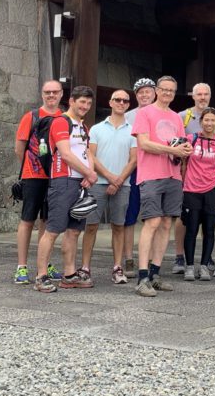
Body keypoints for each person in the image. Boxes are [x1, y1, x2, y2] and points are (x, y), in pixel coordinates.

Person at [33, 85, 98, 293]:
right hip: (62, 181)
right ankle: (41, 275)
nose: (85, 107)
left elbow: (87, 153)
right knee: (53, 230)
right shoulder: (61, 122)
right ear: (71, 101)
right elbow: (66, 154)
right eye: (81, 102)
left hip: (80, 183)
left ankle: (69, 274)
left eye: (88, 103)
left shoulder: (82, 126)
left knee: (74, 231)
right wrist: (89, 173)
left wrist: (89, 174)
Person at [132, 75, 193, 297]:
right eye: (164, 89)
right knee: (152, 221)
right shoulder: (145, 112)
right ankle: (142, 277)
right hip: (151, 174)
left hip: (173, 174)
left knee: (167, 222)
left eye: (171, 90)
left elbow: (182, 143)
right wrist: (173, 150)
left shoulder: (177, 118)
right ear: (156, 90)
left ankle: (155, 273)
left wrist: (185, 150)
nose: (167, 93)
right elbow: (144, 143)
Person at [82, 89, 137, 285]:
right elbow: (91, 156)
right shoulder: (96, 128)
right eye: (118, 100)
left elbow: (133, 160)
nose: (121, 103)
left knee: (119, 226)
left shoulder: (133, 130)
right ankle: (85, 267)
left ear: (128, 105)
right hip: (99, 182)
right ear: (111, 102)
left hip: (123, 184)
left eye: (125, 100)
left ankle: (117, 266)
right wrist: (109, 177)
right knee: (91, 226)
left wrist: (119, 180)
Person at [12, 80, 64, 285]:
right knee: (27, 219)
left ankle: (45, 264)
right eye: (47, 92)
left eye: (55, 92)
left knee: (47, 221)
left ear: (61, 94)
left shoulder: (64, 117)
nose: (51, 95)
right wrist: (30, 169)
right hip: (33, 175)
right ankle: (21, 266)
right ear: (42, 94)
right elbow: (19, 148)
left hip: (56, 176)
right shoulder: (31, 117)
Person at [171, 83, 215, 275]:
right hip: (189, 185)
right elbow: (177, 152)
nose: (202, 97)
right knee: (187, 223)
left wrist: (214, 179)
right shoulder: (182, 119)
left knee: (208, 226)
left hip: (210, 186)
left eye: (206, 94)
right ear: (192, 96)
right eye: (199, 94)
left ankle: (205, 261)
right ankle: (182, 258)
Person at [180, 107, 215, 281]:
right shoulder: (191, 139)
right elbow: (182, 161)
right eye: (206, 120)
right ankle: (190, 266)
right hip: (191, 189)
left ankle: (205, 265)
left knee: (209, 229)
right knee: (191, 229)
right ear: (201, 122)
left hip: (212, 190)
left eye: (212, 120)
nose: (209, 123)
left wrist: (213, 179)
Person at [120, 78, 155, 277]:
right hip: (134, 168)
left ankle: (149, 257)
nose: (144, 95)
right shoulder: (127, 116)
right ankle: (129, 258)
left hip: (154, 169)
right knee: (129, 215)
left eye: (148, 91)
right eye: (140, 92)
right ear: (136, 95)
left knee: (153, 216)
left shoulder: (160, 113)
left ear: (154, 93)